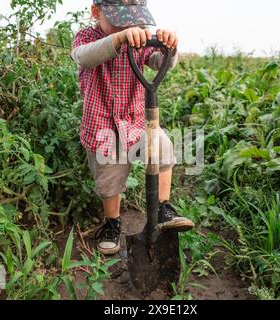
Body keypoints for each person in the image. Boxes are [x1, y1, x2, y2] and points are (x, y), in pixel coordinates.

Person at [71, 0, 194, 255]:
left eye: (133, 19)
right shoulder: (87, 37)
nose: (127, 25)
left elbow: (161, 62)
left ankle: (162, 209)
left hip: (136, 122)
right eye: (118, 19)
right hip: (102, 126)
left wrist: (170, 46)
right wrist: (119, 39)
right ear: (96, 13)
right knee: (109, 180)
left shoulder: (140, 40)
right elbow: (84, 58)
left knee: (163, 147)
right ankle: (112, 223)